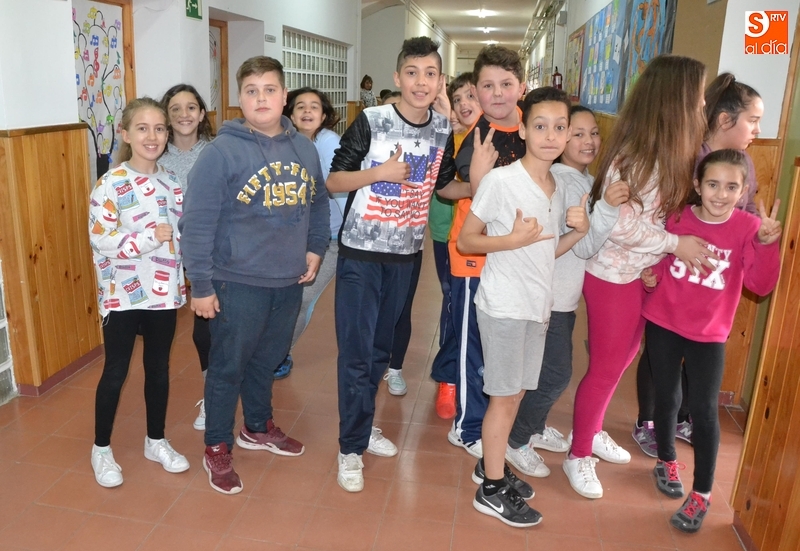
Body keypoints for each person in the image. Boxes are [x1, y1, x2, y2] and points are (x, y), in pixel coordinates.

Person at [564, 55, 715, 500]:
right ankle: (578, 454)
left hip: (637, 274)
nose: (702, 103)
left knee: (624, 359)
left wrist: (659, 253)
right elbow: (620, 226)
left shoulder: (665, 152)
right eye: (698, 95)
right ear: (675, 100)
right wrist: (673, 245)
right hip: (611, 276)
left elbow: (651, 219)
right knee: (605, 367)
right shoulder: (634, 157)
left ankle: (590, 431)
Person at [179, 56, 330, 495]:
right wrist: (201, 285)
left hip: (288, 280)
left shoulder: (303, 147)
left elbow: (318, 202)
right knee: (228, 367)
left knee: (268, 359)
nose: (261, 98)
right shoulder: (220, 153)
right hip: (237, 281)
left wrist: (315, 247)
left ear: (284, 96)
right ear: (239, 99)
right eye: (251, 91)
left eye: (269, 89)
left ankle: (257, 427)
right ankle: (217, 444)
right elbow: (197, 223)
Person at [328, 36, 456, 493]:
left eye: (430, 74)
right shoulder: (372, 120)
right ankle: (349, 449)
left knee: (381, 352)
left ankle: (362, 429)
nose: (421, 82)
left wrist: (484, 182)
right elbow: (334, 180)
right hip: (361, 254)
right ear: (397, 77)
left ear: (440, 81)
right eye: (412, 73)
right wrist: (379, 173)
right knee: (357, 353)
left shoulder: (442, 129)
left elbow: (445, 186)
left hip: (405, 256)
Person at [458, 87, 589, 527]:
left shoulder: (558, 186)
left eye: (559, 127)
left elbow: (546, 251)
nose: (551, 136)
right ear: (524, 130)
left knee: (515, 394)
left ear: (567, 134)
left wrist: (579, 232)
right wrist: (509, 240)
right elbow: (467, 241)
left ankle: (490, 466)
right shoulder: (502, 181)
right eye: (540, 126)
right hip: (504, 307)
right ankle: (491, 490)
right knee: (502, 398)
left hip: (538, 307)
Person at [641, 149, 781, 532]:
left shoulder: (749, 228)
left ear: (744, 190)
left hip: (709, 334)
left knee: (703, 411)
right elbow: (660, 258)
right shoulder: (677, 217)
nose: (721, 194)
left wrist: (767, 244)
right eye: (713, 185)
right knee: (666, 397)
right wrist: (652, 276)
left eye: (731, 187)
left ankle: (702, 492)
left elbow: (760, 285)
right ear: (697, 185)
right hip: (664, 322)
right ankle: (665, 459)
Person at [631, 73, 765, 456]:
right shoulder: (689, 158)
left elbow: (749, 213)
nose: (757, 129)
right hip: (675, 272)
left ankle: (683, 418)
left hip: (713, 279)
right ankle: (649, 421)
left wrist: (759, 236)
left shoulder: (743, 164)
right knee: (660, 355)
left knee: (699, 356)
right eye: (753, 120)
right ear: (725, 120)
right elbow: (668, 215)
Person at [506, 106, 626, 476]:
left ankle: (534, 428)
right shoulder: (563, 182)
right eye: (577, 134)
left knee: (545, 371)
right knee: (555, 376)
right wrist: (607, 207)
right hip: (550, 300)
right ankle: (517, 440)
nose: (589, 141)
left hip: (563, 298)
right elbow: (584, 246)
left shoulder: (583, 179)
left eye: (594, 133)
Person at [88, 97, 189, 488]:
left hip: (163, 294)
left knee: (158, 369)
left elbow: (180, 237)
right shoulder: (110, 184)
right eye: (143, 128)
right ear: (126, 134)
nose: (153, 136)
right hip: (122, 295)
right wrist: (148, 238)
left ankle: (155, 440)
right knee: (116, 370)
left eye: (160, 128)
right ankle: (101, 449)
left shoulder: (172, 182)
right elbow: (102, 240)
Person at [437, 45, 527, 459]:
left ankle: (501, 423)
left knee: (504, 346)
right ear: (476, 90)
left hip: (518, 256)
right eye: (487, 86)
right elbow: (454, 190)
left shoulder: (533, 128)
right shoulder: (474, 138)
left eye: (506, 84)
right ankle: (467, 426)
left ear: (521, 87)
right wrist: (478, 182)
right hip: (473, 255)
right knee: (471, 342)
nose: (497, 94)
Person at [273, 87, 346, 379]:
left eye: (314, 107)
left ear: (324, 115)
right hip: (290, 238)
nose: (306, 111)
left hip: (328, 239)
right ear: (290, 115)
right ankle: (271, 351)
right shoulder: (282, 142)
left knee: (303, 298)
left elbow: (338, 187)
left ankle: (280, 354)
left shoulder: (328, 142)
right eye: (300, 106)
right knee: (281, 299)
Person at [157, 83, 215, 431]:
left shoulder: (216, 152)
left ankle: (213, 396)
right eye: (175, 108)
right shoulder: (155, 157)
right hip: (165, 256)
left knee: (205, 331)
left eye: (191, 107)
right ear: (167, 115)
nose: (183, 114)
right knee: (158, 335)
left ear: (202, 114)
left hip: (209, 254)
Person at [427, 73, 481, 419]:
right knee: (453, 304)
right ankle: (448, 378)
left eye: (470, 96)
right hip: (448, 235)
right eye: (457, 99)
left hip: (488, 241)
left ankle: (470, 373)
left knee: (478, 310)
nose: (463, 104)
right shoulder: (450, 135)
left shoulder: (492, 135)